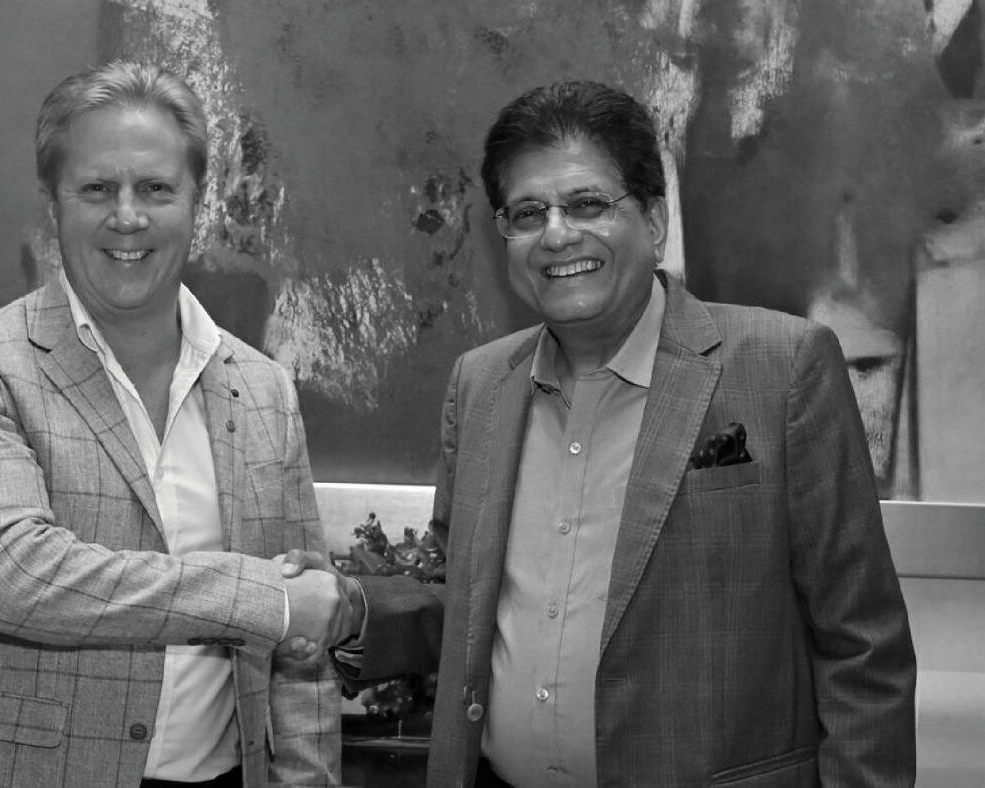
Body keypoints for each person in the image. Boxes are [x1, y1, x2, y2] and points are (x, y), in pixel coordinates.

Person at [285, 80, 917, 786]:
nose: (557, 234)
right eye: (528, 213)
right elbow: (458, 593)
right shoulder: (481, 383)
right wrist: (353, 608)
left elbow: (863, 647)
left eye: (587, 204)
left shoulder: (782, 367)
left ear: (654, 220)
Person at [0, 60, 352, 788]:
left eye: (155, 188)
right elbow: (12, 576)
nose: (127, 216)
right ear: (52, 204)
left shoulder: (264, 389)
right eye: (96, 189)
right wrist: (263, 600)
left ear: (197, 203)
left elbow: (300, 656)